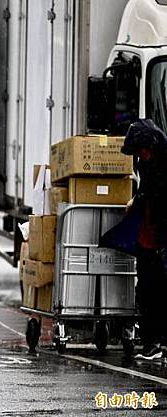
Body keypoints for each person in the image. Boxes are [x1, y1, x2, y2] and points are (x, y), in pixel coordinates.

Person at [119, 119, 167, 360]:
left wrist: (137, 202)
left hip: (157, 236)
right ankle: (154, 342)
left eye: (140, 150)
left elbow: (153, 195)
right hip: (149, 236)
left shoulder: (160, 165)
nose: (139, 155)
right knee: (149, 287)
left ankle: (155, 342)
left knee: (153, 289)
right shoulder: (149, 162)